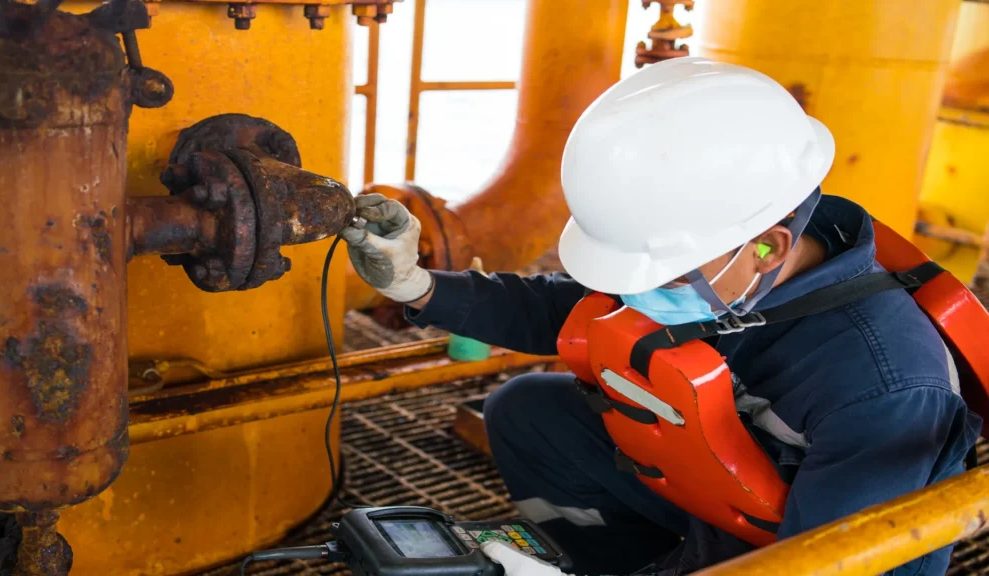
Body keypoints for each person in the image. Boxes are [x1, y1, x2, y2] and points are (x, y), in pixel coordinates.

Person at [342, 57, 982, 576]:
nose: (635, 296)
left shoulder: (882, 385)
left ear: (769, 247)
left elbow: (819, 562)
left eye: (655, 276)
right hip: (723, 488)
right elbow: (565, 310)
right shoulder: (725, 271)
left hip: (820, 544)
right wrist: (417, 285)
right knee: (530, 413)